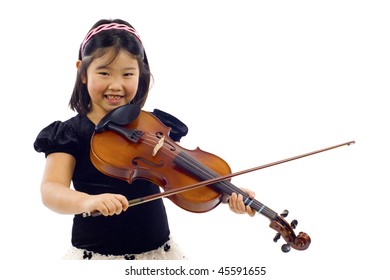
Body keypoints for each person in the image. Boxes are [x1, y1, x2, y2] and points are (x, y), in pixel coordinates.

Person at [34, 18, 256, 260]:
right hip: (96, 256)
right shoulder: (69, 134)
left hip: (157, 254)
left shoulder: (154, 127)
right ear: (82, 72)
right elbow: (51, 190)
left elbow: (181, 177)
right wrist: (87, 201)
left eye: (128, 74)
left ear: (141, 75)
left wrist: (224, 191)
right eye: (104, 72)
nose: (116, 85)